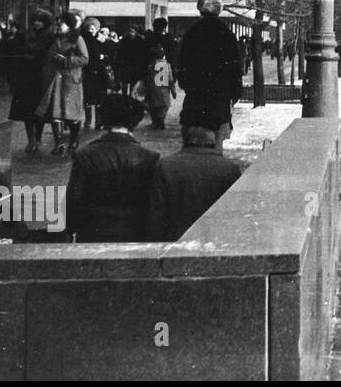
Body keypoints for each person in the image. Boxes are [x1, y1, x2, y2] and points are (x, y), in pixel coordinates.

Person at [65, 94, 159, 243]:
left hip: (93, 232)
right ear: (134, 123)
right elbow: (154, 204)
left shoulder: (84, 155)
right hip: (135, 233)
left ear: (104, 119)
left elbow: (73, 200)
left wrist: (71, 229)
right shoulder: (150, 157)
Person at [145, 126, 242, 242]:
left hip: (175, 242)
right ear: (214, 141)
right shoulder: (230, 169)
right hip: (215, 242)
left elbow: (157, 213)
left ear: (185, 140)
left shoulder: (166, 165)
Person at [175, 0, 242, 151]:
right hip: (219, 97)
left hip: (196, 96)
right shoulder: (226, 34)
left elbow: (182, 64)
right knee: (217, 139)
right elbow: (235, 68)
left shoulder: (191, 33)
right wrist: (234, 93)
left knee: (191, 138)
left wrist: (187, 84)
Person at [36, 12, 90, 157]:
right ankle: (59, 143)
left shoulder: (78, 39)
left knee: (71, 113)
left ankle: (74, 141)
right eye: (58, 23)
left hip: (71, 81)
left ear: (70, 25)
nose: (58, 25)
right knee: (56, 113)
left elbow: (85, 59)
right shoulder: (55, 39)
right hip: (55, 80)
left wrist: (67, 60)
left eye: (61, 23)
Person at [8, 10, 56, 154]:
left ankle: (38, 138)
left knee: (39, 110)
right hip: (26, 77)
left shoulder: (51, 37)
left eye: (40, 20)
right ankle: (31, 140)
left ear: (46, 22)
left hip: (41, 77)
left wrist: (31, 56)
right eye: (35, 20)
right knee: (26, 110)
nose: (37, 23)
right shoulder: (27, 35)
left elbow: (47, 56)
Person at [79, 17, 112, 131]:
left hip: (99, 74)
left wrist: (104, 57)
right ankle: (89, 121)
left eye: (93, 28)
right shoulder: (84, 41)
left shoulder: (101, 41)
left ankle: (99, 121)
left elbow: (109, 55)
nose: (91, 30)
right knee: (88, 99)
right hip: (89, 73)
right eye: (89, 28)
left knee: (99, 100)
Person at [143, 45, 176, 130]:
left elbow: (148, 78)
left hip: (153, 89)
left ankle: (155, 122)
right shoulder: (166, 65)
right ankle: (161, 121)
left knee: (153, 107)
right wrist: (173, 91)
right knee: (163, 108)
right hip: (164, 90)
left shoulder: (151, 65)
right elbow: (170, 80)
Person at [115, 26, 149, 98]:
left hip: (135, 65)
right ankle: (124, 97)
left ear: (136, 32)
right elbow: (119, 52)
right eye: (130, 31)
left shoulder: (140, 40)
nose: (131, 33)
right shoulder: (124, 40)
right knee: (125, 83)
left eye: (133, 31)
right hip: (125, 64)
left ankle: (131, 96)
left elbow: (143, 53)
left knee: (133, 83)